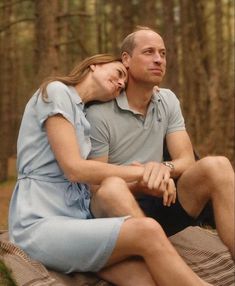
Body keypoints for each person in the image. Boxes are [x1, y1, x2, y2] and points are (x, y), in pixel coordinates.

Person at [8, 54, 213, 286]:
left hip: (80, 221)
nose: (120, 83)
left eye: (122, 85)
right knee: (146, 229)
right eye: (118, 73)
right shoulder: (57, 92)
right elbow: (74, 169)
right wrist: (144, 171)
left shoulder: (84, 117)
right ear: (94, 64)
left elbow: (94, 179)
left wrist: (146, 181)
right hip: (40, 222)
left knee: (144, 278)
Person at [86, 27, 235, 260]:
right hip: (119, 214)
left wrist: (163, 168)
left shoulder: (167, 100)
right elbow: (95, 190)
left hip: (163, 200)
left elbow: (186, 159)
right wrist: (142, 180)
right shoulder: (99, 113)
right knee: (110, 191)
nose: (158, 59)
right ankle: (162, 263)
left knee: (218, 165)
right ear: (126, 59)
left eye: (163, 53)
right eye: (149, 52)